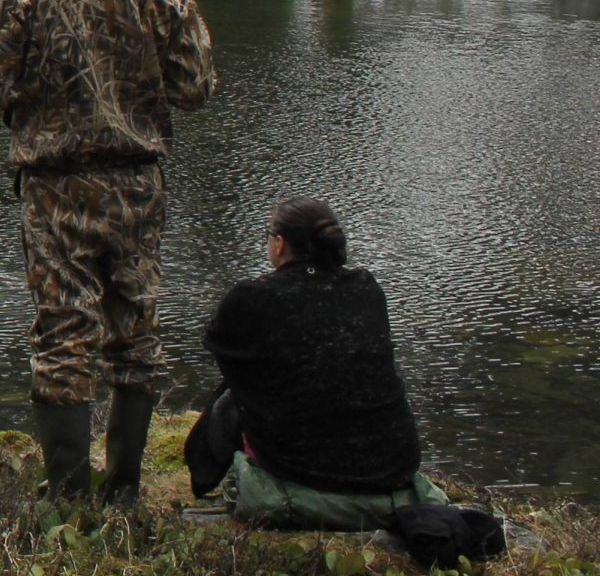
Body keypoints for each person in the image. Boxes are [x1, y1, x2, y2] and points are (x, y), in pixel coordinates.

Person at [0, 0, 216, 503]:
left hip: (55, 185)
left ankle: (70, 498)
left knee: (61, 331)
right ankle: (126, 490)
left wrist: (35, 93)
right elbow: (195, 89)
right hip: (138, 183)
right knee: (135, 330)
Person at [183, 198, 441, 528]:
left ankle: (204, 478)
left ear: (279, 243)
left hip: (302, 464)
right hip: (391, 464)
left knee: (233, 393)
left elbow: (222, 352)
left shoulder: (252, 297)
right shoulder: (366, 287)